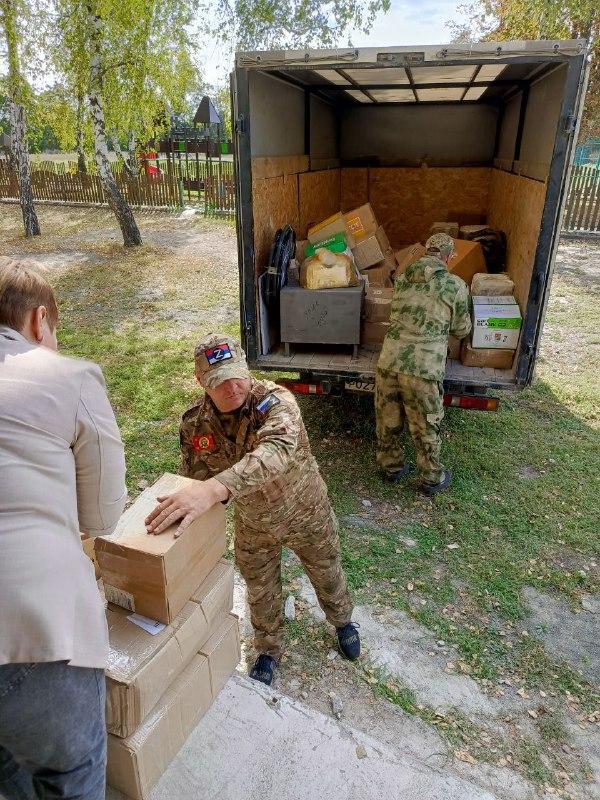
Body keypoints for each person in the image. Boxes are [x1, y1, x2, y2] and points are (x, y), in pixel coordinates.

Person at [145, 334, 360, 687]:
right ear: (201, 382)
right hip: (253, 524)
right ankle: (267, 649)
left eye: (237, 375)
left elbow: (275, 451)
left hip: (306, 512)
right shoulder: (195, 426)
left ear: (246, 368)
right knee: (260, 589)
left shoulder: (277, 402)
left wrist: (215, 489)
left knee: (327, 571)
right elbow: (194, 481)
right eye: (219, 381)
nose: (232, 388)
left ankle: (342, 621)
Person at [0, 257, 127, 800]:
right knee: (69, 775)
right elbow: (100, 517)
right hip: (35, 628)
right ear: (38, 321)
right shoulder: (69, 376)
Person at [375, 233, 472, 496]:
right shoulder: (455, 286)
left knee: (388, 418)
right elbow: (462, 329)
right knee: (425, 424)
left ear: (426, 252)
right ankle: (431, 477)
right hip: (423, 368)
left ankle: (390, 467)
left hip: (389, 361)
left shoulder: (403, 280)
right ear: (449, 258)